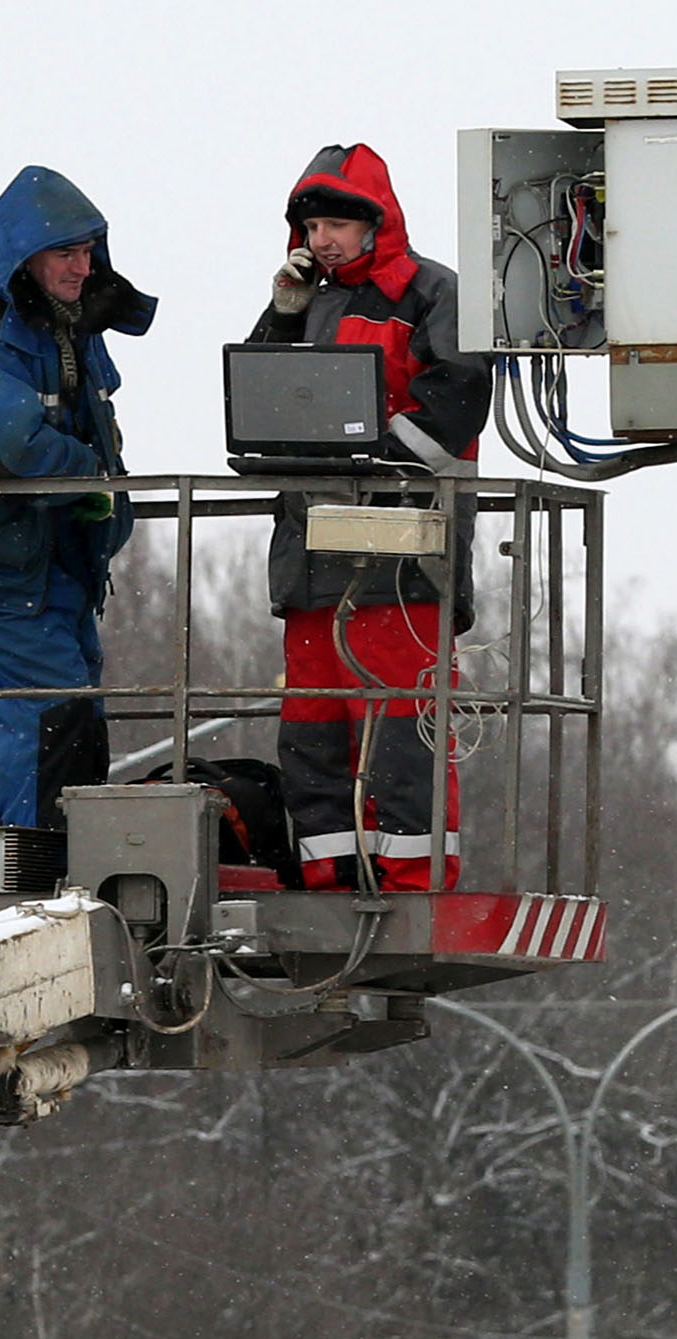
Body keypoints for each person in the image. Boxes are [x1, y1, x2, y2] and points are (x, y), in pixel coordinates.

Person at [248, 144, 491, 892]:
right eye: (312, 226)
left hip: (405, 555)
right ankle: (331, 875)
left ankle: (412, 880)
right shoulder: (305, 302)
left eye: (335, 225)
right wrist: (283, 314)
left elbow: (455, 397)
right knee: (314, 729)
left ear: (373, 225)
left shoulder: (433, 293)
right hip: (316, 559)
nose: (321, 240)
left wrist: (373, 460)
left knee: (400, 728)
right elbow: (259, 395)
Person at [0, 168, 154, 831]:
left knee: (74, 706)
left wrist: (97, 493)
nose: (82, 268)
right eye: (65, 254)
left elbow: (82, 417)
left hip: (50, 549)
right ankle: (35, 863)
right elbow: (9, 447)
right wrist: (93, 476)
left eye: (87, 252)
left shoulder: (61, 320)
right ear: (24, 257)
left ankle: (67, 853)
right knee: (48, 705)